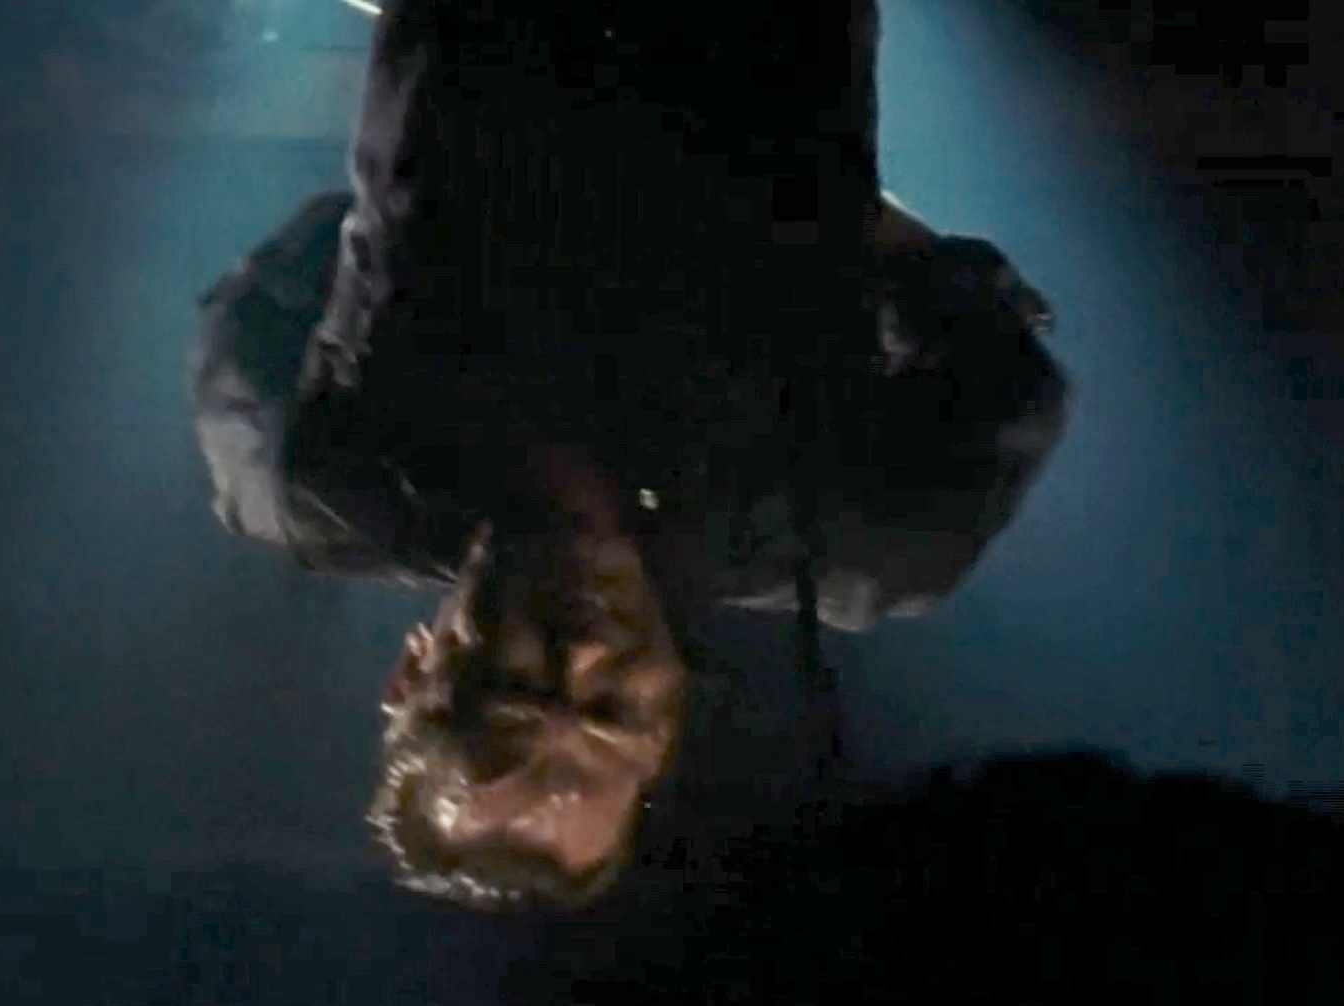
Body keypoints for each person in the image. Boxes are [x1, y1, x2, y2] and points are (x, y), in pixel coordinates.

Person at [189, 0, 1070, 912]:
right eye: (613, 708)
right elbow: (1000, 372)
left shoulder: (312, 478)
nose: (580, 653)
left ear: (416, 673)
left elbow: (264, 299)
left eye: (519, 686)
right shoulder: (859, 541)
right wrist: (843, 224)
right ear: (672, 719)